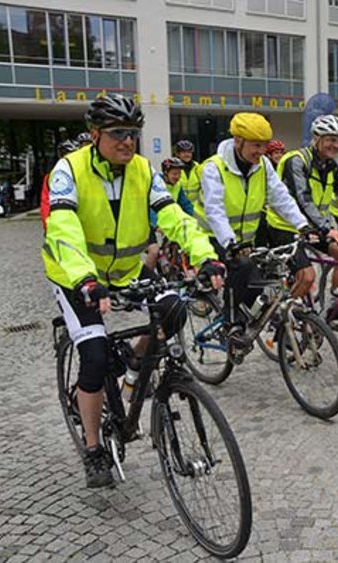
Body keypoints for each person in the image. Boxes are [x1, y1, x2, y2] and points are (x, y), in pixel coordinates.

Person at [42, 94, 224, 488]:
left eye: (134, 133)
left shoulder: (143, 169)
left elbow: (172, 214)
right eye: (118, 133)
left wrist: (205, 255)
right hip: (76, 275)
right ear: (95, 135)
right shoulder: (68, 169)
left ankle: (132, 373)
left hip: (126, 272)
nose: (128, 141)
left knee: (174, 309)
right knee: (93, 355)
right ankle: (93, 449)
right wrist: (84, 278)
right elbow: (63, 228)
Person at [196, 112, 314, 345]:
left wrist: (303, 225)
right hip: (213, 237)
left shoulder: (263, 166)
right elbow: (215, 210)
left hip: (245, 240)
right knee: (242, 267)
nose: (261, 151)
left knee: (262, 276)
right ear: (238, 141)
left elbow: (281, 197)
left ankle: (242, 316)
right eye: (256, 145)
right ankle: (231, 323)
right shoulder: (214, 168)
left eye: (264, 146)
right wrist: (229, 242)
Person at [265, 115, 338, 320]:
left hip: (314, 227)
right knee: (307, 277)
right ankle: (282, 321)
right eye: (330, 139)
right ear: (317, 138)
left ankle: (332, 307)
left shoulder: (331, 165)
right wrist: (326, 228)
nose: (335, 145)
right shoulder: (296, 161)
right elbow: (302, 198)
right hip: (285, 227)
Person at [40, 140, 81, 231]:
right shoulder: (53, 176)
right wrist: (49, 226)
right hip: (61, 228)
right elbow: (46, 203)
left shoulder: (86, 174)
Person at [174, 139, 201, 204]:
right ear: (177, 154)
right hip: (178, 207)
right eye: (183, 152)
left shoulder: (198, 167)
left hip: (195, 208)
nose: (187, 154)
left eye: (189, 152)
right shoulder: (173, 168)